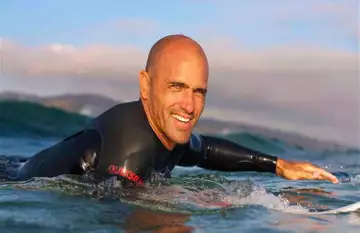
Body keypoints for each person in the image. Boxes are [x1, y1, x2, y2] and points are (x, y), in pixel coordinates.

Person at [0, 34, 339, 186]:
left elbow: (205, 151)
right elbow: (114, 215)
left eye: (198, 92)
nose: (189, 106)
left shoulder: (166, 132)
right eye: (176, 87)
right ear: (145, 86)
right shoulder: (132, 146)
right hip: (12, 182)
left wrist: (279, 165)